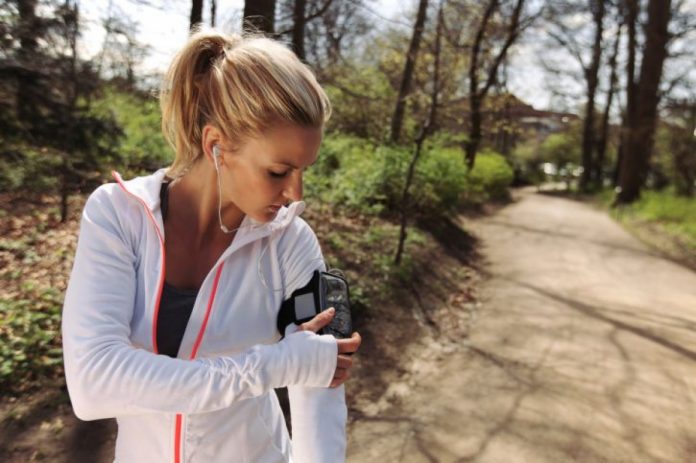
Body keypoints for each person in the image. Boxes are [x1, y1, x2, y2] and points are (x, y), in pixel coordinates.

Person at [61, 27, 361, 463]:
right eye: (278, 172)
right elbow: (93, 383)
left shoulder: (292, 243)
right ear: (216, 145)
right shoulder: (119, 216)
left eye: (304, 170)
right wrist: (277, 364)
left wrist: (301, 364)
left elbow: (322, 390)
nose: (296, 194)